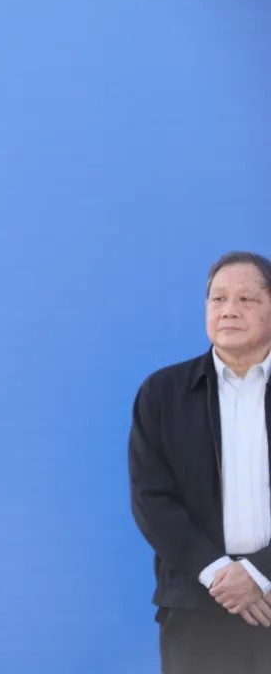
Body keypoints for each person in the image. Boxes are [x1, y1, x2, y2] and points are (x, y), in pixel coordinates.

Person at [130, 251, 271, 673]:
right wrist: (217, 573)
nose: (229, 310)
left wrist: (259, 573)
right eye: (218, 299)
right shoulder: (163, 393)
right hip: (198, 604)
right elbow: (151, 499)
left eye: (246, 299)